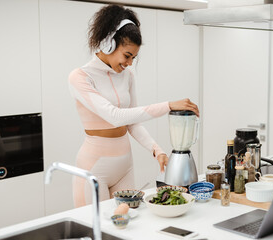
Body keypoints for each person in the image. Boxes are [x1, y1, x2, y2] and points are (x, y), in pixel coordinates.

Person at [68, 4, 199, 207]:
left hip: (124, 166)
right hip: (94, 168)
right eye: (127, 55)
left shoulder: (127, 75)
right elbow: (114, 115)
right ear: (108, 44)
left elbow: (132, 122)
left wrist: (157, 150)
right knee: (97, 231)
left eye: (133, 58)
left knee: (128, 226)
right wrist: (168, 106)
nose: (129, 63)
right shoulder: (80, 77)